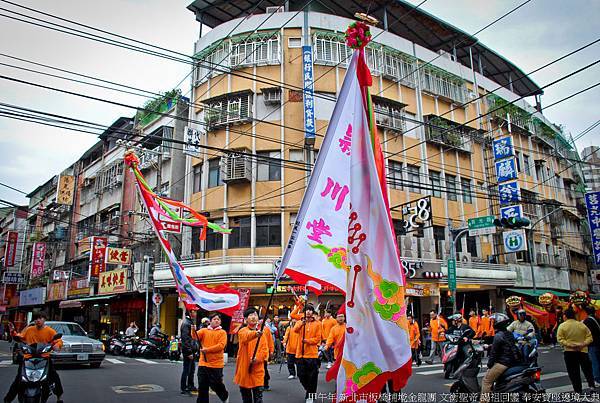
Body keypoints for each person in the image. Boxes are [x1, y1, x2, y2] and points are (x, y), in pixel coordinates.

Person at [4, 312, 64, 403]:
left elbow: (58, 341)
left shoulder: (50, 331)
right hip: (28, 358)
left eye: (40, 318)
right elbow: (20, 337)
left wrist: (57, 346)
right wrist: (13, 331)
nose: (38, 320)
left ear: (44, 319)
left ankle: (59, 397)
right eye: (36, 319)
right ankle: (8, 399)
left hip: (44, 358)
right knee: (19, 380)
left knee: (54, 377)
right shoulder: (29, 330)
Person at [480, 313, 524, 403]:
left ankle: (484, 401)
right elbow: (506, 345)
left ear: (497, 323)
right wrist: (489, 346)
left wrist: (489, 364)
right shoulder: (508, 334)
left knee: (486, 381)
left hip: (503, 362)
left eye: (493, 321)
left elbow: (494, 353)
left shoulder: (498, 335)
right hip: (512, 360)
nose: (492, 323)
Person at [234, 308, 269, 403]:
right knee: (247, 399)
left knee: (258, 399)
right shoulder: (242, 331)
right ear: (245, 319)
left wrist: (257, 359)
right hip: (245, 369)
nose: (253, 317)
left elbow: (265, 351)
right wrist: (256, 334)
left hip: (257, 369)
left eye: (255, 315)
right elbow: (246, 336)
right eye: (250, 315)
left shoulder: (262, 334)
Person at [557, 308, 596, 393]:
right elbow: (590, 337)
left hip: (569, 352)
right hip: (583, 351)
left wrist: (570, 345)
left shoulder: (562, 326)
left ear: (565, 316)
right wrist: (583, 344)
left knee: (573, 372)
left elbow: (560, 339)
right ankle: (591, 386)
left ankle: (578, 391)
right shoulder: (581, 325)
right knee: (587, 370)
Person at [194, 313, 229, 403]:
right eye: (214, 319)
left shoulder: (222, 332)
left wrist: (207, 350)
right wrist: (192, 329)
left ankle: (224, 396)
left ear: (220, 322)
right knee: (202, 386)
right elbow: (195, 336)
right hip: (203, 363)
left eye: (218, 319)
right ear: (210, 321)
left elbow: (221, 346)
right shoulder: (204, 330)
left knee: (216, 385)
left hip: (216, 364)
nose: (216, 320)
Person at [293, 304, 322, 403]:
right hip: (300, 354)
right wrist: (302, 323)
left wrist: (307, 341)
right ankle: (309, 391)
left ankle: (310, 395)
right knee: (301, 375)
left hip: (312, 354)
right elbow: (295, 330)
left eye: (310, 310)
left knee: (312, 377)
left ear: (313, 312)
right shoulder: (300, 322)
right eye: (307, 310)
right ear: (304, 312)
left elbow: (318, 339)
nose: (308, 312)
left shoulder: (318, 323)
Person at [180, 308, 198, 395]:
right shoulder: (186, 323)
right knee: (187, 369)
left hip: (192, 349)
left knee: (192, 369)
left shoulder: (190, 322)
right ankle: (184, 387)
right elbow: (185, 339)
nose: (196, 312)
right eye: (194, 311)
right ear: (190, 312)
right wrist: (189, 352)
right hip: (188, 351)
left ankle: (191, 385)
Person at [583, 306, 600, 385]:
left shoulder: (587, 320)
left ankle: (596, 378)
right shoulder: (597, 319)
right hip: (598, 342)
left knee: (594, 361)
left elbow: (586, 332)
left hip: (592, 343)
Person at [261, 319, 275, 391]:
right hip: (255, 354)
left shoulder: (266, 329)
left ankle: (265, 384)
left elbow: (270, 341)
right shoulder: (252, 329)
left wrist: (271, 350)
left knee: (264, 369)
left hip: (264, 353)